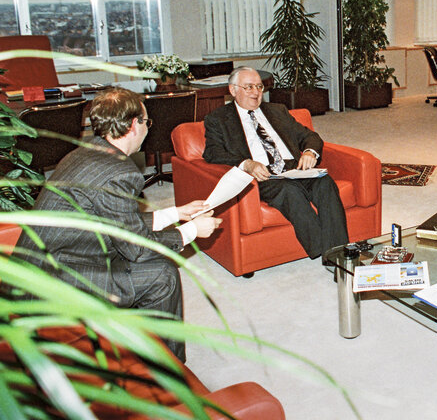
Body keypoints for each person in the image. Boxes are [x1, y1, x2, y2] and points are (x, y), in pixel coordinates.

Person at [11, 88, 222, 362]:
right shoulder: (119, 171)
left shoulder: (85, 153)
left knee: (155, 267)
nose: (147, 129)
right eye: (147, 123)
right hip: (55, 282)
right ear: (135, 124)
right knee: (161, 275)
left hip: (40, 268)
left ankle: (144, 345)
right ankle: (168, 369)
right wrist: (192, 231)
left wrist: (175, 213)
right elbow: (137, 249)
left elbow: (119, 222)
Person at [202, 66, 348, 259]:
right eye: (249, 87)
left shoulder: (277, 110)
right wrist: (246, 164)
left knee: (325, 183)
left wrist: (310, 153)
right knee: (290, 191)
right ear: (232, 90)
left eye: (259, 87)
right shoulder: (218, 119)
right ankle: (326, 252)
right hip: (263, 175)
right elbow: (212, 152)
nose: (256, 92)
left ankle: (339, 255)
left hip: (294, 168)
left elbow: (309, 136)